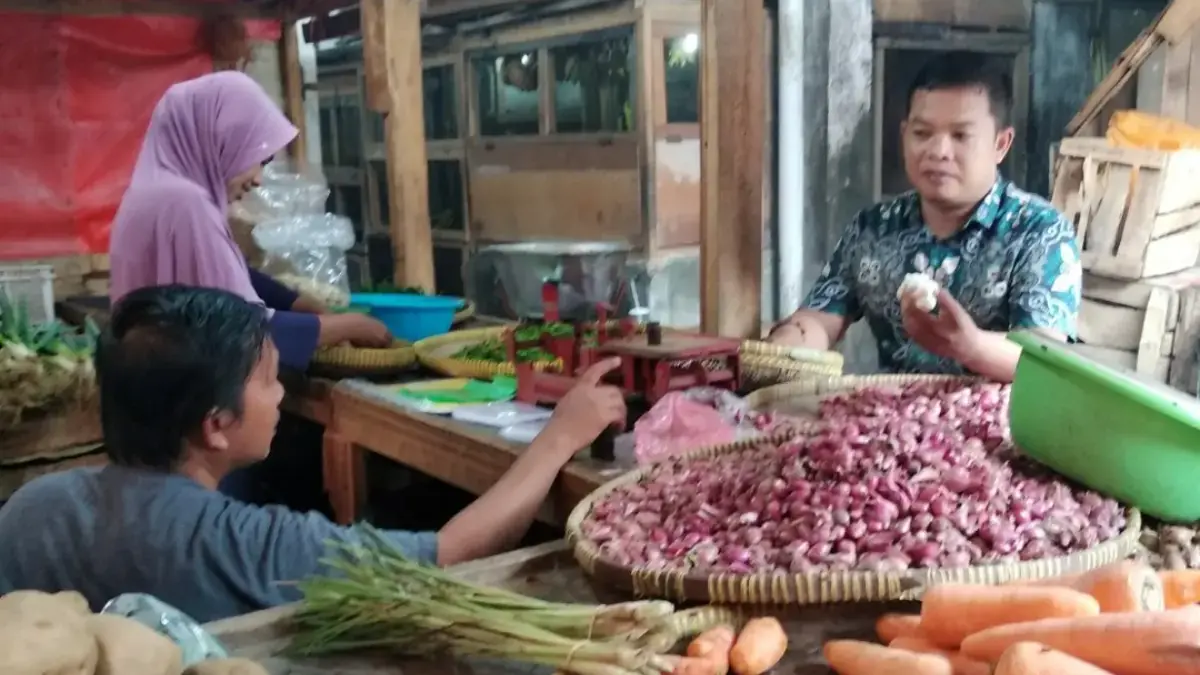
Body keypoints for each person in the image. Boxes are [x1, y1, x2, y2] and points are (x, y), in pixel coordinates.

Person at [0, 285, 627, 623]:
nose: (281, 397)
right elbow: (452, 553)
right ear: (216, 425)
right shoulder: (247, 544)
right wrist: (559, 439)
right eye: (270, 379)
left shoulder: (33, 508)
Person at [768, 51, 1081, 382]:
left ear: (1001, 144)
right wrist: (788, 344)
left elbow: (1045, 360)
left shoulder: (1039, 231)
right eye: (922, 133)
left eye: (960, 136)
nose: (938, 151)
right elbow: (820, 319)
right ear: (904, 134)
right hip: (889, 420)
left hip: (997, 426)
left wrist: (969, 345)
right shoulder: (873, 229)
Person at [108, 71, 389, 373]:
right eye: (256, 159)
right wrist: (349, 326)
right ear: (217, 139)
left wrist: (295, 302)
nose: (257, 178)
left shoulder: (153, 191)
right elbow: (242, 330)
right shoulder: (185, 204)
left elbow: (215, 277)